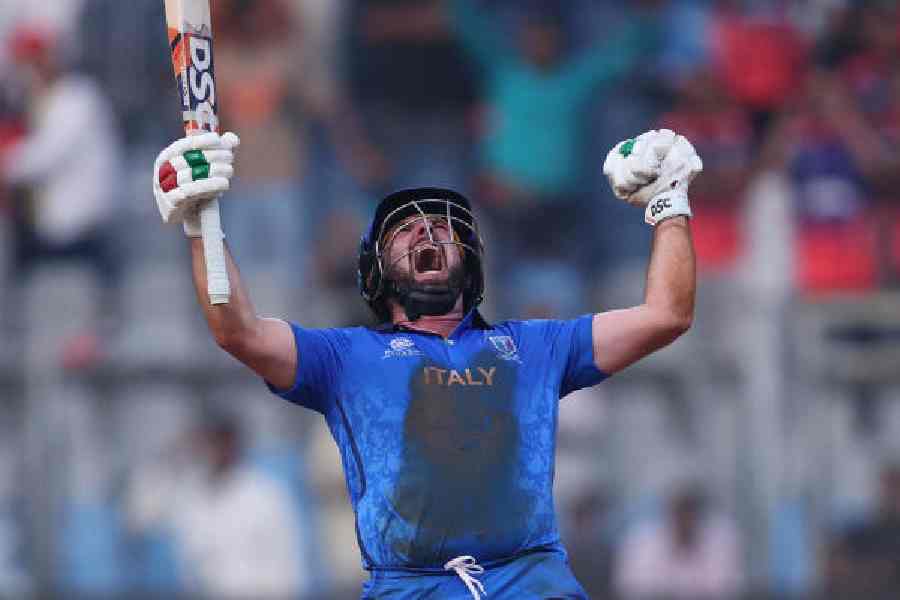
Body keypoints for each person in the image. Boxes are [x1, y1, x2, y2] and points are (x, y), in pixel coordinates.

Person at [151, 127, 701, 598]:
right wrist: (201, 222)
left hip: (532, 581)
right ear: (377, 269)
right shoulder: (344, 358)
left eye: (443, 227)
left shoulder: (537, 346)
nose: (428, 230)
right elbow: (236, 330)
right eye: (404, 230)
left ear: (472, 260)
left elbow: (666, 315)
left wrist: (669, 204)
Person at [125, 412, 310, 598]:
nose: (212, 449)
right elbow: (137, 515)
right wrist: (173, 458)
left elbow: (289, 571)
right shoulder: (188, 493)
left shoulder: (266, 495)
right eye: (207, 441)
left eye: (219, 441)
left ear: (233, 443)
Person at [614, 483, 744, 599]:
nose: (684, 520)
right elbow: (634, 588)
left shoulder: (721, 540)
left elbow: (727, 589)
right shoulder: (643, 541)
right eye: (679, 513)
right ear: (668, 514)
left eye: (690, 514)